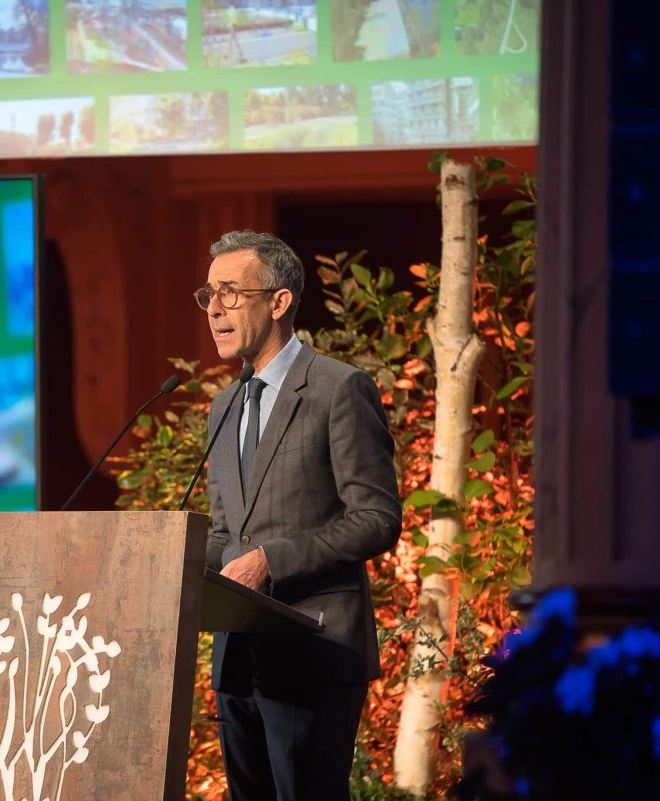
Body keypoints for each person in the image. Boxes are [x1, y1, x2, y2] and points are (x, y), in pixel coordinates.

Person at [197, 230, 401, 801]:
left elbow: (377, 517)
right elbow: (225, 533)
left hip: (313, 653)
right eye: (208, 295)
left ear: (279, 301)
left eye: (230, 293)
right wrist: (168, 562)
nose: (214, 309)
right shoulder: (224, 404)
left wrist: (271, 561)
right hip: (237, 661)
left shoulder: (339, 389)